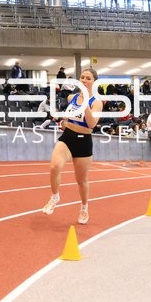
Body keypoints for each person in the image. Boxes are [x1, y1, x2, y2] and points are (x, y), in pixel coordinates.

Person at [42, 67, 103, 225]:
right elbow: (69, 117)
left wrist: (86, 104)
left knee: (81, 180)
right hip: (68, 137)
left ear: (94, 82)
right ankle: (55, 196)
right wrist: (64, 121)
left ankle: (84, 207)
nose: (84, 80)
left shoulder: (97, 103)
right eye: (82, 77)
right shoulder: (72, 98)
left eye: (88, 78)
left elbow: (91, 124)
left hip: (84, 141)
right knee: (54, 166)